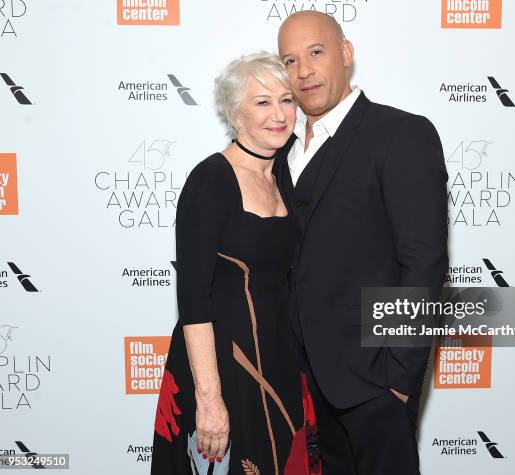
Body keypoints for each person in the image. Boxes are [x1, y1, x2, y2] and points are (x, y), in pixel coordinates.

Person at [275, 11, 449, 475]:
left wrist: (399, 380)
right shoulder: (280, 155)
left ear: (346, 53)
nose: (304, 71)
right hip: (303, 391)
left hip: (375, 384)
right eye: (290, 60)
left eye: (316, 52)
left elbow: (424, 264)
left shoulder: (400, 134)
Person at [151, 52, 311, 475]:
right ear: (234, 114)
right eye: (262, 103)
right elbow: (193, 299)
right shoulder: (211, 180)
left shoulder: (289, 175)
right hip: (224, 366)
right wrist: (208, 398)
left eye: (286, 99)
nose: (279, 114)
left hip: (281, 359)